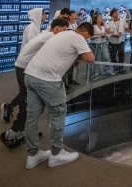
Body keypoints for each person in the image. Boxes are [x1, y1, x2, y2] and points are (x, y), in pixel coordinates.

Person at [24, 22, 95, 169]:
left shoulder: (63, 34)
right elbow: (90, 57)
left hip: (30, 75)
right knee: (58, 114)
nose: (86, 41)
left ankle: (33, 155)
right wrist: (80, 55)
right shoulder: (78, 37)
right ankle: (56, 154)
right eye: (87, 38)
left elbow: (61, 53)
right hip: (48, 79)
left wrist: (74, 57)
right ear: (86, 34)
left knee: (32, 117)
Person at [0, 18, 69, 148]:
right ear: (57, 28)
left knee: (29, 102)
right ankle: (11, 134)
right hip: (25, 69)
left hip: (26, 68)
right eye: (64, 30)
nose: (64, 35)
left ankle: (22, 131)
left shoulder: (46, 33)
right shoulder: (50, 36)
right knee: (27, 103)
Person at [1, 8, 47, 123]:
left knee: (25, 92)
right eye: (43, 13)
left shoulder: (36, 28)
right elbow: (34, 45)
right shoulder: (32, 28)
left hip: (27, 65)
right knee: (25, 92)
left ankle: (18, 116)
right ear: (37, 15)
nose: (45, 15)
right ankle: (10, 107)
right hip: (23, 65)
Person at [106, 9, 126, 73]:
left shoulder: (122, 20)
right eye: (114, 12)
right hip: (112, 41)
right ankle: (115, 68)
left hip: (121, 40)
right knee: (113, 55)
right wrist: (113, 34)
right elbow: (109, 31)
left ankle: (121, 68)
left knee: (121, 55)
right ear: (112, 15)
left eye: (116, 12)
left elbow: (126, 27)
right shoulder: (110, 23)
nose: (116, 13)